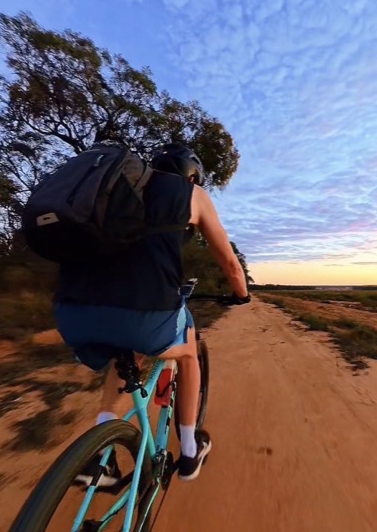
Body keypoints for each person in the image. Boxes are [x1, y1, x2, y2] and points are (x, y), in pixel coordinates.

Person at [53, 143, 250, 483]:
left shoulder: (116, 191)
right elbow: (231, 264)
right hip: (142, 314)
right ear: (191, 176)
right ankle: (190, 451)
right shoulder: (193, 194)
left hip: (71, 310)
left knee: (126, 354)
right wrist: (241, 294)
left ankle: (100, 457)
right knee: (188, 352)